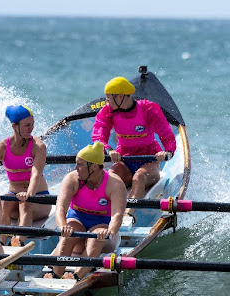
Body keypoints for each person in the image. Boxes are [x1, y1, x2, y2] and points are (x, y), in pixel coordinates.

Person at [91, 76, 176, 220]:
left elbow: (166, 134)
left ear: (120, 96)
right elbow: (98, 136)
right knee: (109, 177)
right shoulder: (108, 111)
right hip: (125, 157)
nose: (106, 101)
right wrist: (109, 149)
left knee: (139, 177)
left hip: (148, 159)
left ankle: (128, 215)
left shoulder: (147, 108)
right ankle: (100, 212)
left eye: (108, 98)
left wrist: (167, 151)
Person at [45, 141, 127, 281]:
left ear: (94, 167)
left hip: (102, 231)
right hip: (77, 225)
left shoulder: (115, 184)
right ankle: (55, 275)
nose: (75, 168)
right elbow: (60, 208)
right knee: (68, 234)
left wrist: (109, 231)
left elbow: (117, 216)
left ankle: (75, 277)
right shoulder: (72, 179)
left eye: (80, 164)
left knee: (94, 239)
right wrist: (62, 226)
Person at [0, 104, 50, 246]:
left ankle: (18, 244)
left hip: (40, 200)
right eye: (26, 125)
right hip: (14, 198)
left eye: (32, 124)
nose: (31, 128)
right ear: (14, 126)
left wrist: (29, 194)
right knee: (4, 203)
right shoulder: (0, 148)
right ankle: (0, 245)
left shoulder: (39, 146)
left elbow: (35, 175)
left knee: (25, 205)